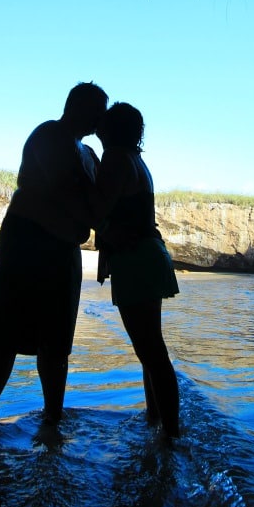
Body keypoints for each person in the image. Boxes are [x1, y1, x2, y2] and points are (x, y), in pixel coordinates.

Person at [0, 81, 108, 449]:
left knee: (56, 344)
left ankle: (52, 421)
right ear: (77, 107)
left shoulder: (89, 152)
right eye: (97, 110)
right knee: (3, 338)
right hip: (27, 243)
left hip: (62, 249)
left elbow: (91, 202)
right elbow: (68, 195)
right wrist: (89, 216)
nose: (100, 118)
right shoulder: (49, 134)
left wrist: (88, 216)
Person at [90, 102, 181, 439]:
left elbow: (97, 208)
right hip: (149, 255)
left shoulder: (114, 158)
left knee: (151, 351)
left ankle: (171, 434)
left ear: (110, 129)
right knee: (150, 348)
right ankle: (156, 421)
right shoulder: (136, 160)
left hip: (136, 259)